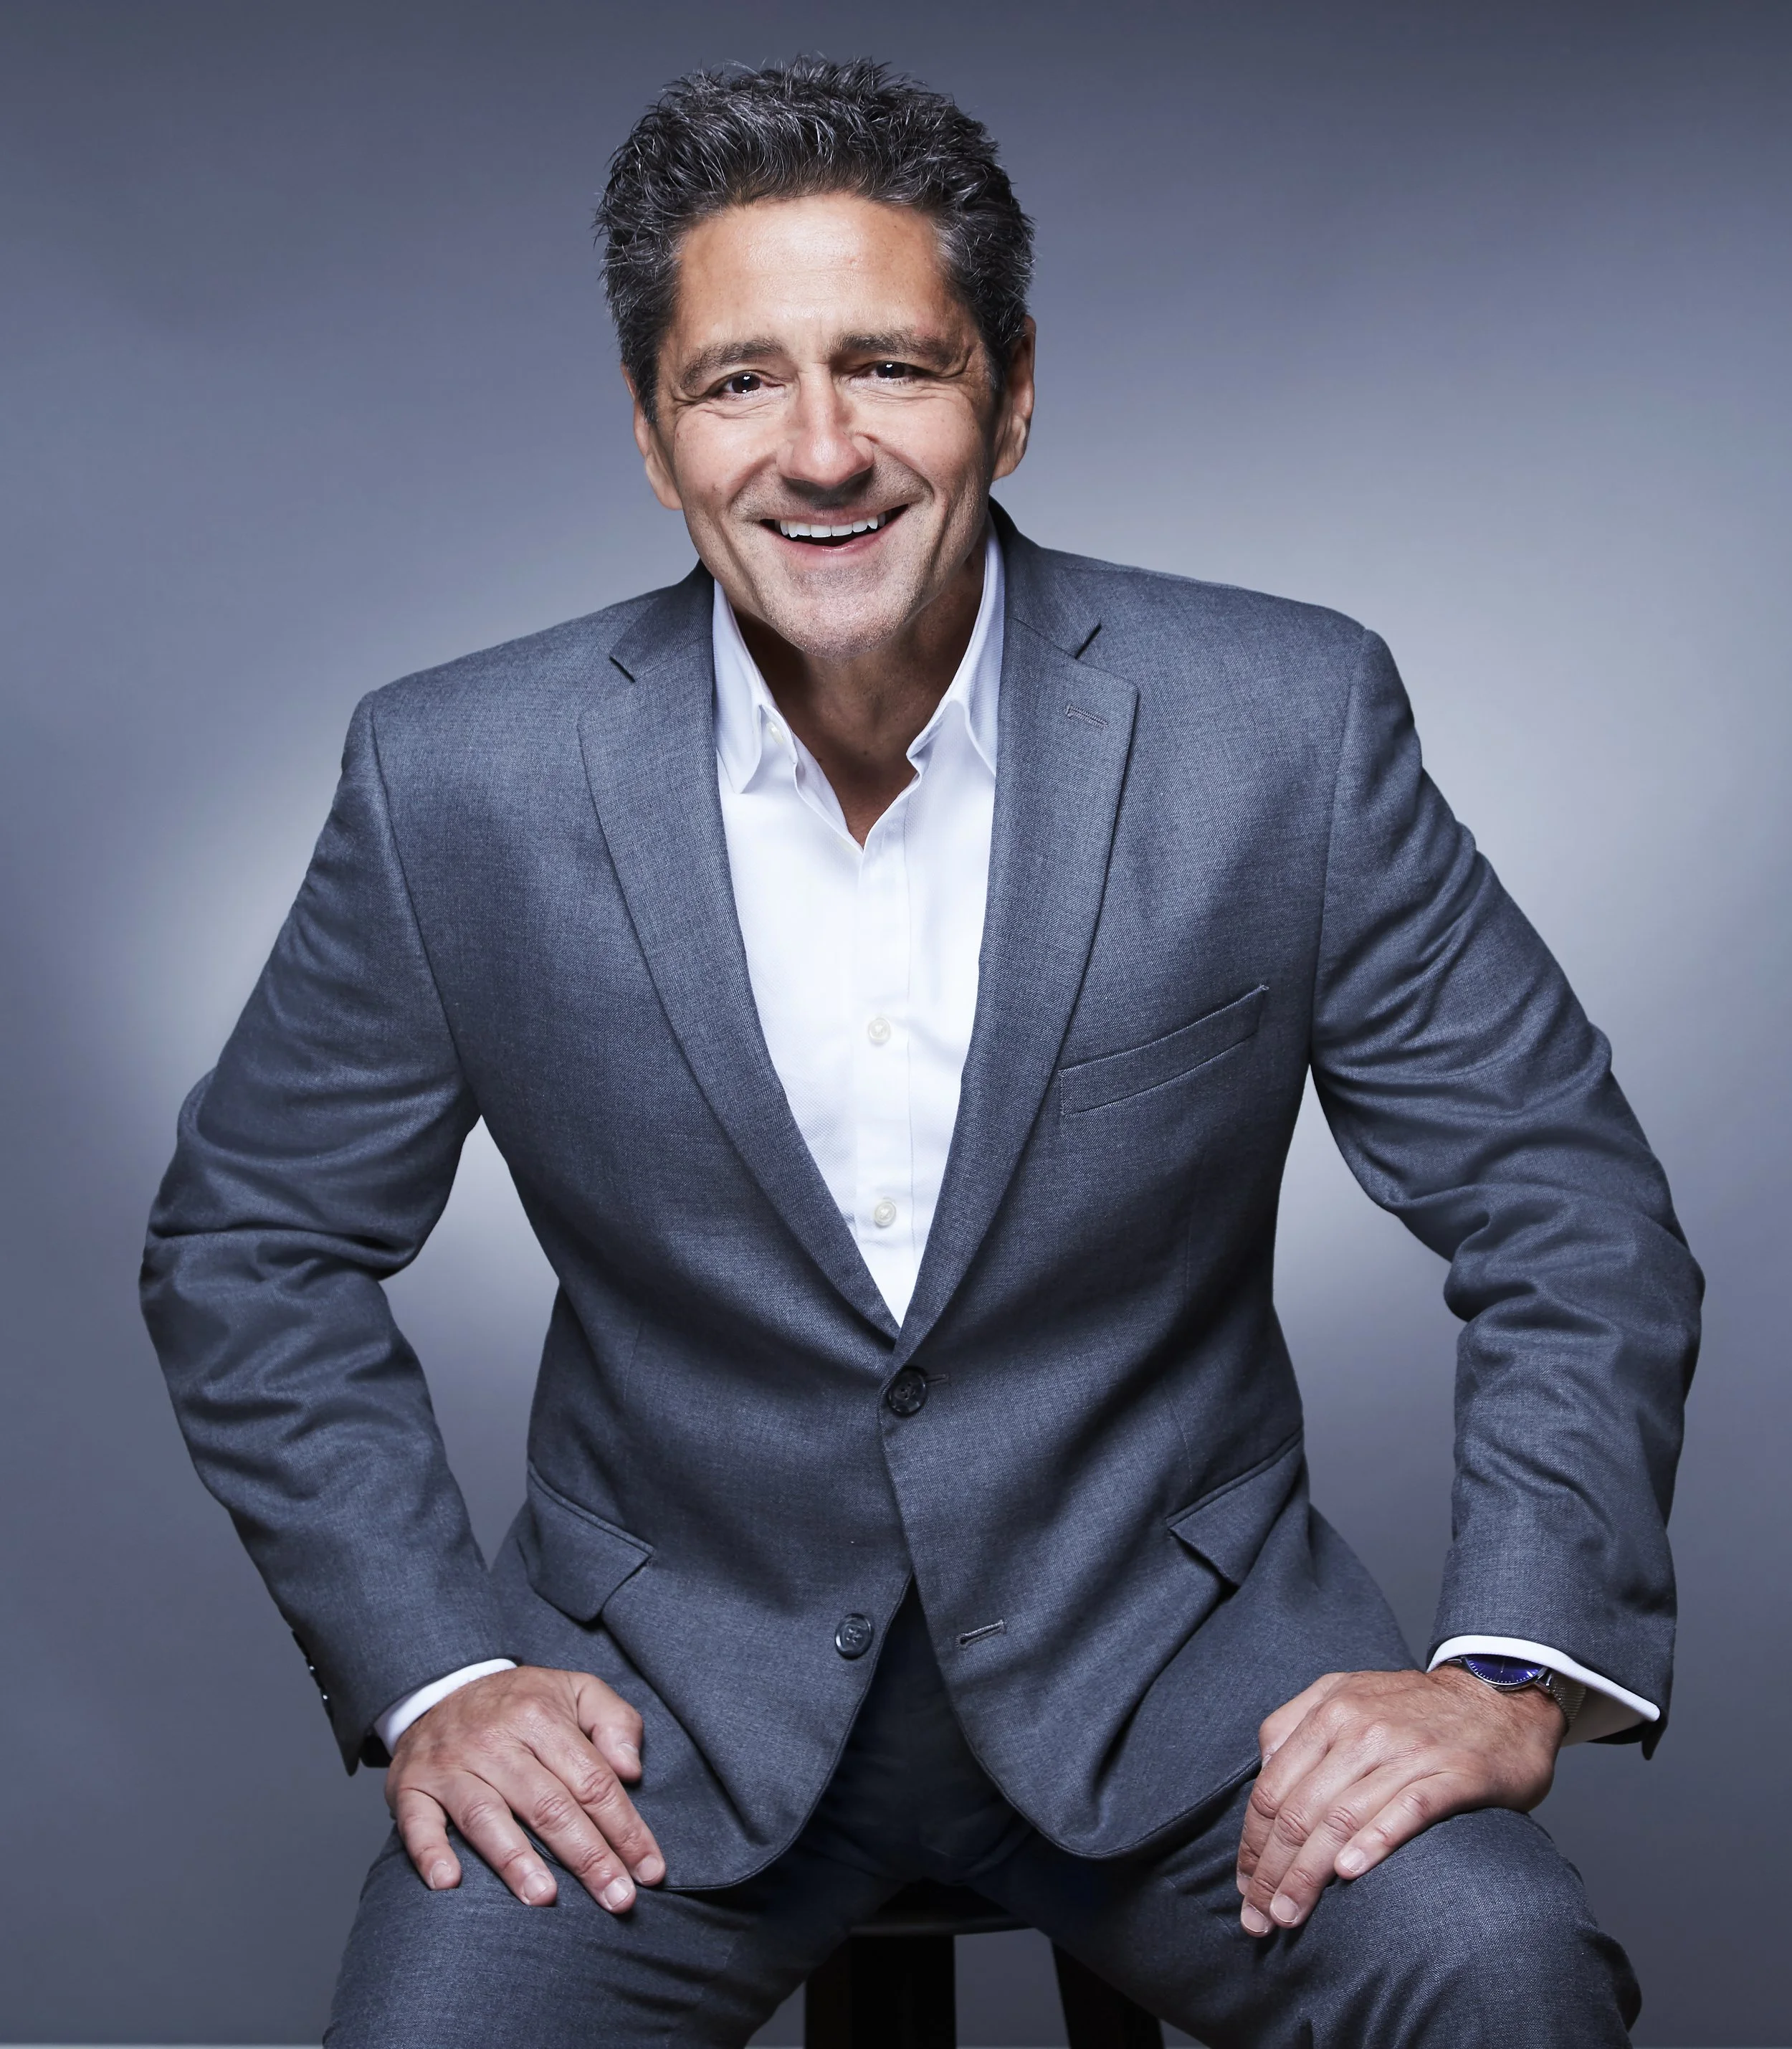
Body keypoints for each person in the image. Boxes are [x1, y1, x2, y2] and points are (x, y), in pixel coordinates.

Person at [140, 57, 1700, 2048]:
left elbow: (1560, 1202)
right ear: (648, 433)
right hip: (654, 1737)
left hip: (1189, 1693)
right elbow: (249, 1244)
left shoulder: (1279, 725)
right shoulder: (456, 779)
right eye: (736, 383)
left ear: (1012, 391)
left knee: (1498, 1975)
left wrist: (1503, 1669)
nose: (819, 452)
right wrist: (440, 1670)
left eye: (890, 367)